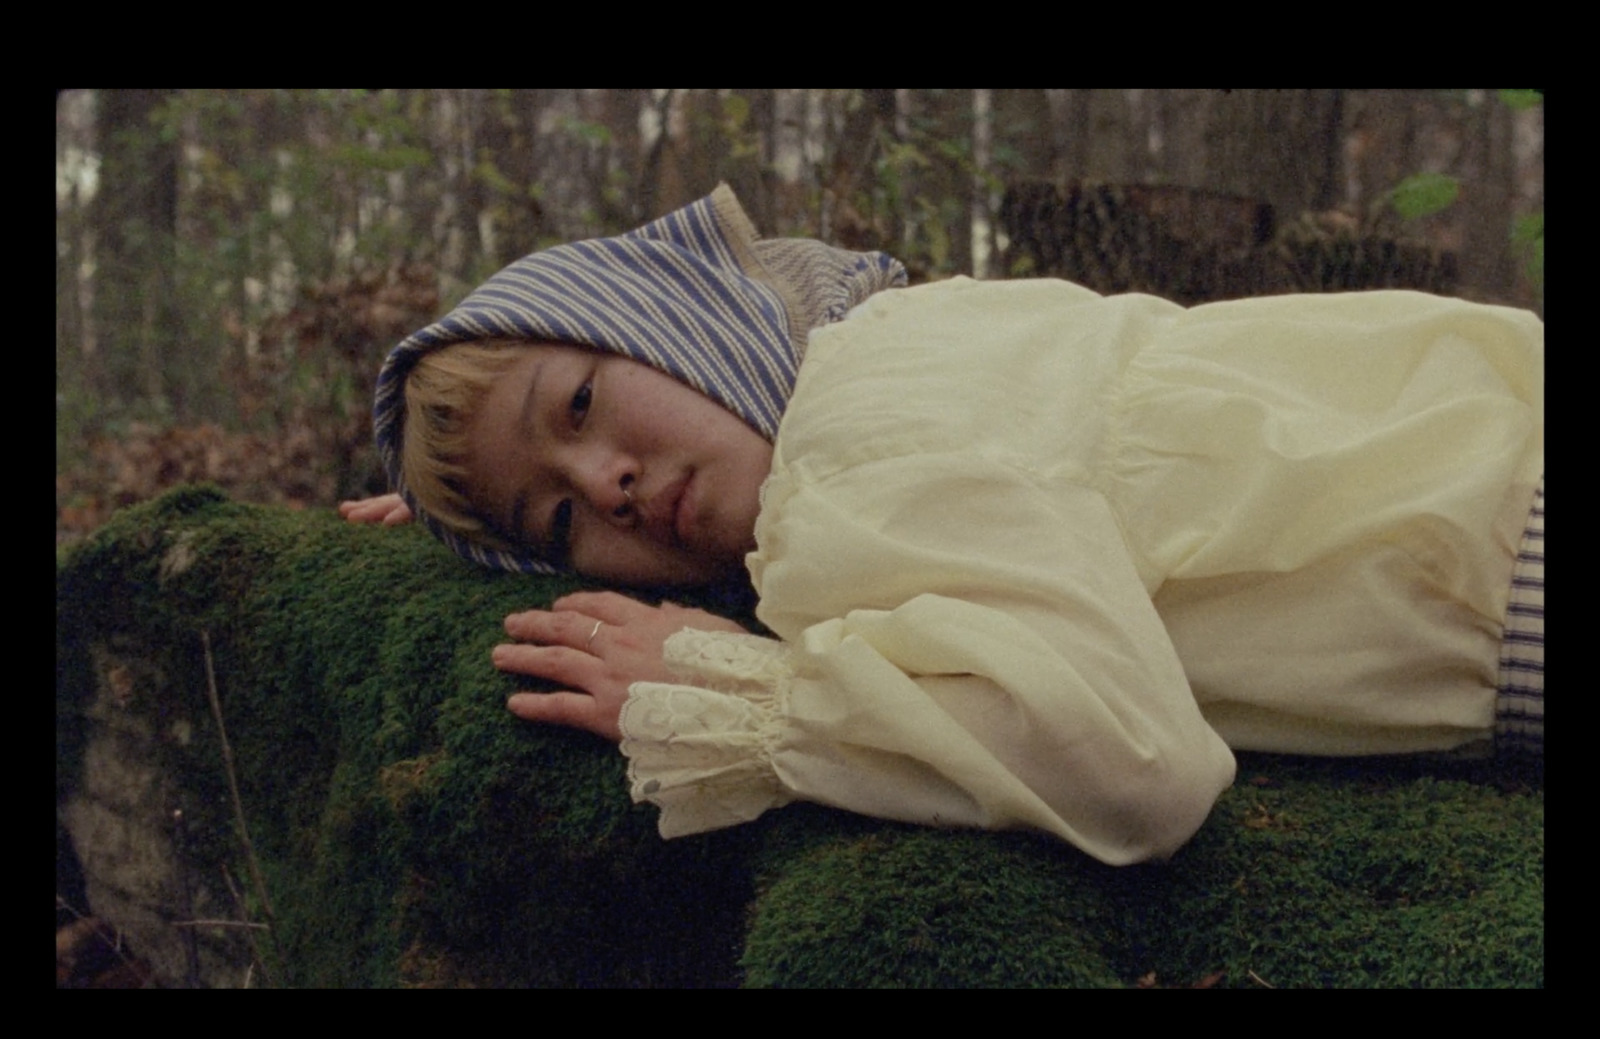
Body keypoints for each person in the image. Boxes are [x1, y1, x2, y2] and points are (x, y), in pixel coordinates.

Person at [341, 185, 1544, 866]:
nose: (604, 481)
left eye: (586, 402)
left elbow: (1139, 772)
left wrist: (753, 700)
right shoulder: (898, 338)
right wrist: (458, 505)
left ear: (673, 324)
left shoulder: (846, 465)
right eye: (555, 520)